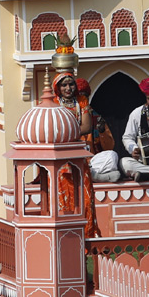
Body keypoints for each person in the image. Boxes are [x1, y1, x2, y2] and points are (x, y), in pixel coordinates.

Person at [53, 69, 100, 236]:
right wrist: (72, 132)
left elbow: (87, 127)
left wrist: (64, 133)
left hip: (79, 157)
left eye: (71, 84)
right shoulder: (53, 103)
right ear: (57, 88)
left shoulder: (81, 102)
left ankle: (87, 235)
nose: (68, 88)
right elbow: (50, 130)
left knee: (86, 198)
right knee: (64, 198)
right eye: (64, 85)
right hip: (59, 159)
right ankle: (67, 235)